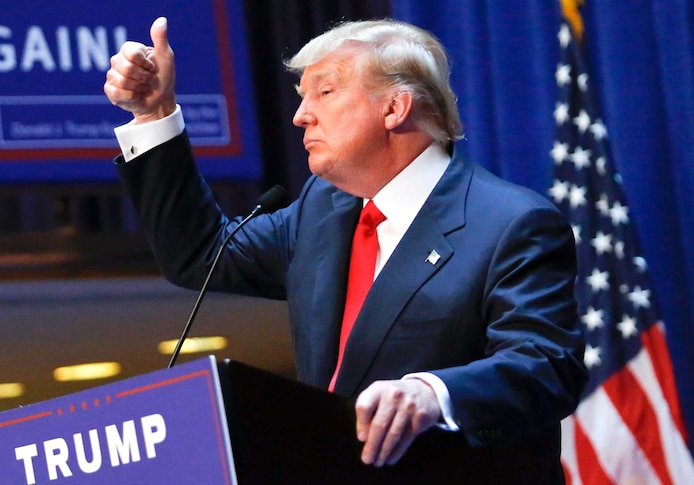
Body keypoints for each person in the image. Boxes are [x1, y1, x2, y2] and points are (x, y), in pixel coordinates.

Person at [104, 17, 587, 483]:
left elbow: (546, 365)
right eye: (302, 97)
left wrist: (433, 393)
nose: (300, 114)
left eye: (325, 92)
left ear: (395, 108)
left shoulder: (509, 222)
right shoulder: (324, 210)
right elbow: (204, 254)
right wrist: (154, 115)